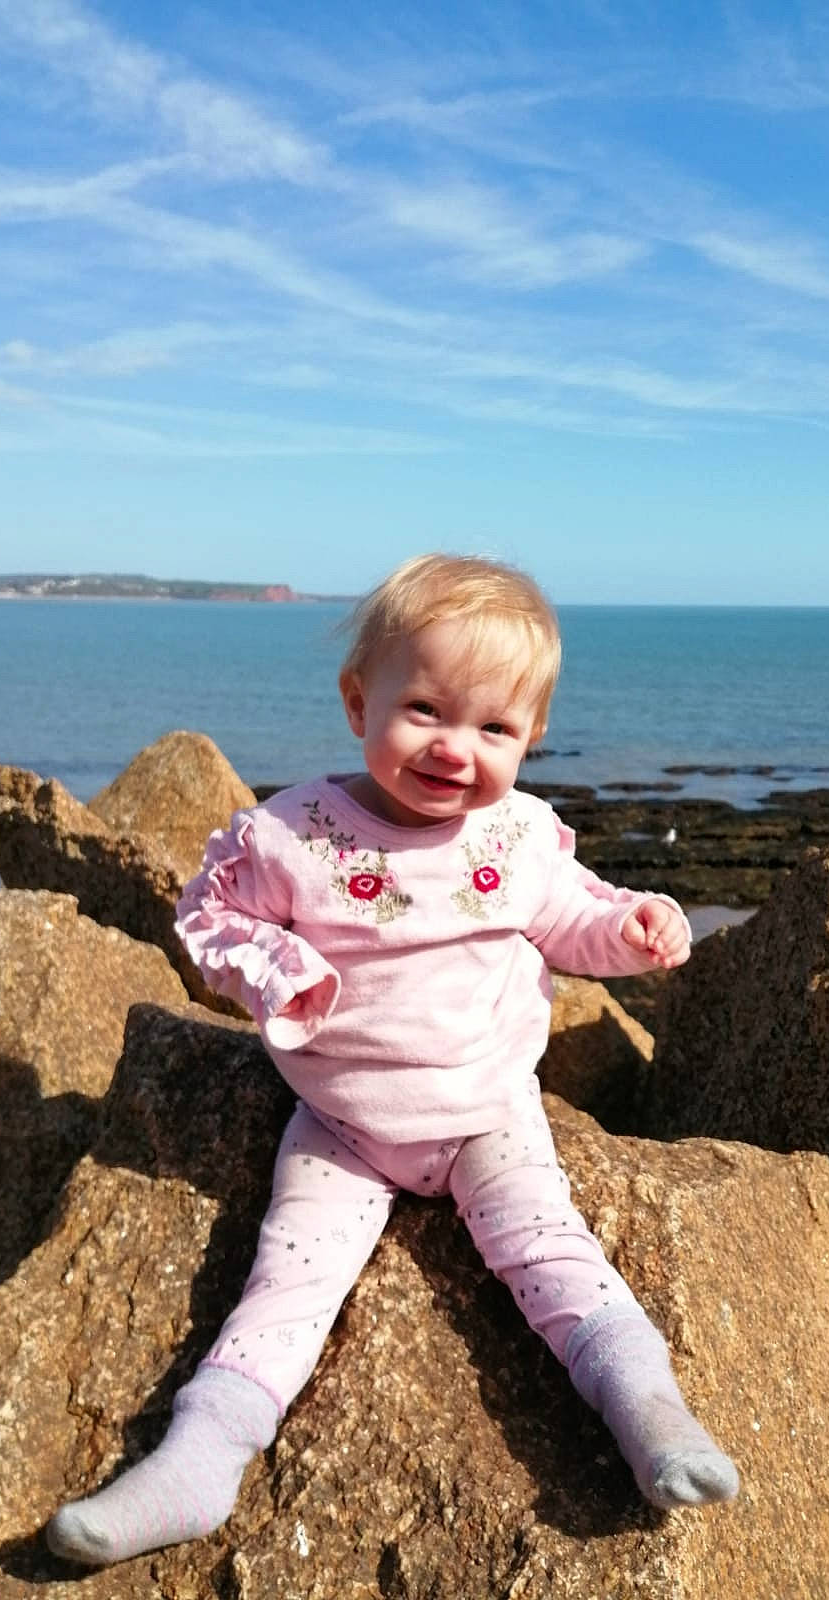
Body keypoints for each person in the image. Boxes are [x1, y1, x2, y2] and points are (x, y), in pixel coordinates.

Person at [47, 554, 739, 1566]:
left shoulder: (520, 835)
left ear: (531, 737)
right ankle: (201, 1458)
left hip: (486, 1110)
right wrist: (281, 969)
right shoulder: (294, 835)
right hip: (345, 1125)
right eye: (424, 709)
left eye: (494, 728)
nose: (456, 748)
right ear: (356, 700)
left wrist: (632, 929)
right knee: (287, 1282)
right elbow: (212, 917)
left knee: (554, 1250)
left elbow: (569, 919)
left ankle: (649, 1404)